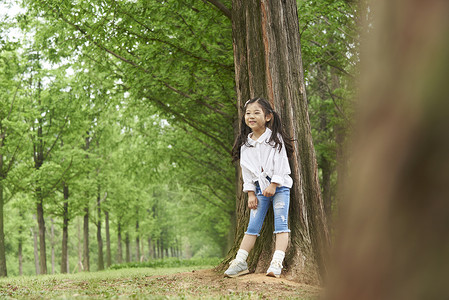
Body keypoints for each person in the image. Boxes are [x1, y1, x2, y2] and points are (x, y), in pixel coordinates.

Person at [225, 97, 293, 278]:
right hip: (259, 189)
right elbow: (246, 173)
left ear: (268, 116)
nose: (251, 117)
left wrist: (273, 184)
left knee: (281, 225)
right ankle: (240, 261)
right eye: (248, 113)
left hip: (279, 187)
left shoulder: (274, 139)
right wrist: (250, 194)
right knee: (252, 226)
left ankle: (276, 262)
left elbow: (282, 164)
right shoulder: (246, 144)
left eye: (256, 113)